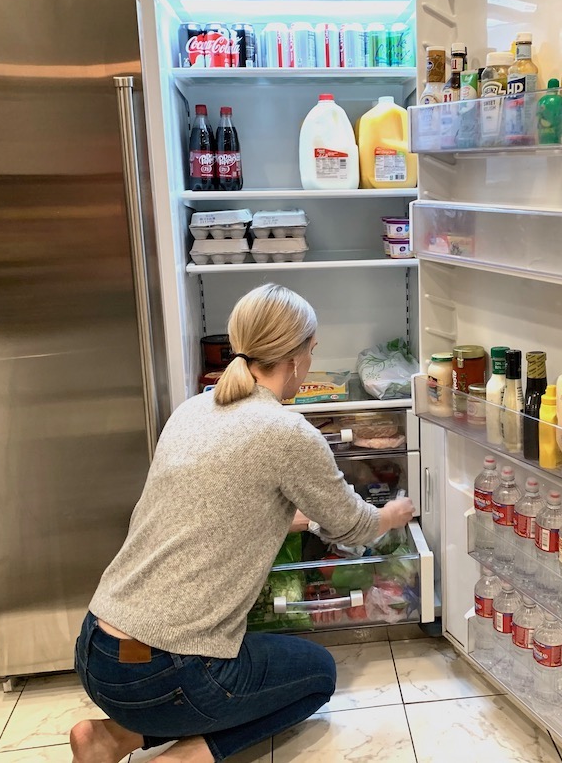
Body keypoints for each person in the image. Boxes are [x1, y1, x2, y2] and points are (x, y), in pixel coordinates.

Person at [70, 283, 415, 763]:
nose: (310, 366)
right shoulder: (287, 431)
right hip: (164, 671)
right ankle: (186, 758)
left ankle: (110, 738)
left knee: (213, 674)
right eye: (312, 353)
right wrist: (393, 513)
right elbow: (354, 527)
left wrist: (305, 522)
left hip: (98, 650)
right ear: (294, 359)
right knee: (317, 677)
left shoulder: (193, 409)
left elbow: (224, 512)